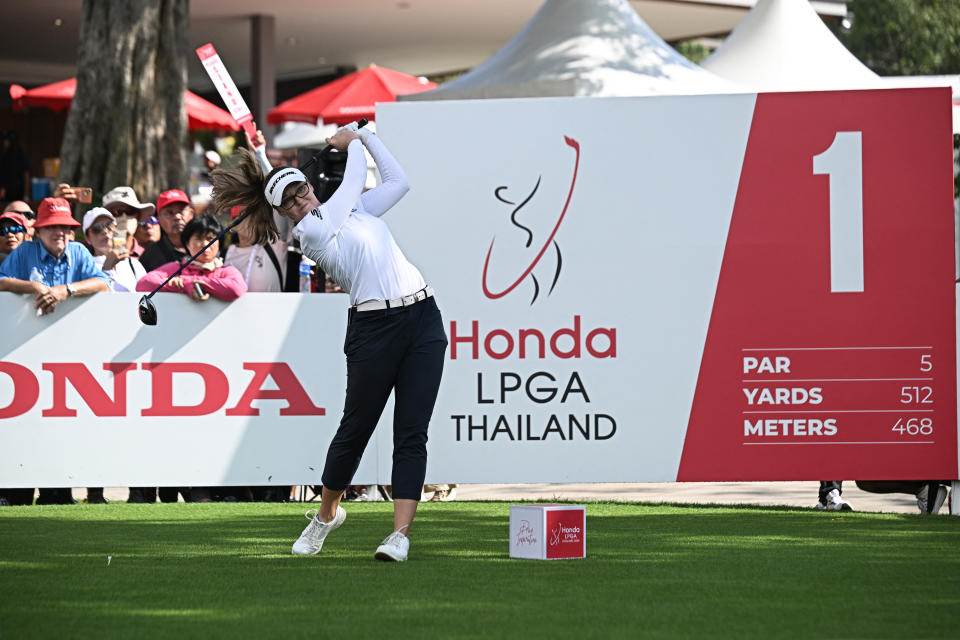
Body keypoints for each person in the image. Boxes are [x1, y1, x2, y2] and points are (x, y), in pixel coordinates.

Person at [211, 122, 447, 563]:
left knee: (411, 433)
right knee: (354, 431)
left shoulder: (354, 210)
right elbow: (355, 175)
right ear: (285, 212)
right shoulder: (312, 231)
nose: (302, 200)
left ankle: (399, 535)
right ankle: (325, 516)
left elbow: (400, 181)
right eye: (291, 201)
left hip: (422, 319)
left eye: (302, 190)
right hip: (373, 330)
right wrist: (353, 141)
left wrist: (372, 135)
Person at [0, 197, 110, 506]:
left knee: (60, 425)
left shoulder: (78, 252)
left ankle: (57, 494)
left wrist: (67, 290)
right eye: (52, 227)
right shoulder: (24, 252)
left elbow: (103, 285)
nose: (59, 232)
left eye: (64, 227)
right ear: (38, 231)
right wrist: (32, 288)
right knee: (24, 423)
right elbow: (1, 282)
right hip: (23, 355)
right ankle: (17, 494)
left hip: (68, 357)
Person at [136, 213, 247, 302]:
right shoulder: (176, 267)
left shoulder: (227, 271)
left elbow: (236, 289)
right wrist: (186, 286)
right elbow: (144, 284)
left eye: (210, 238)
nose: (205, 244)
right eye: (199, 239)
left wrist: (189, 282)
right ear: (187, 244)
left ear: (219, 243)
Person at [223, 205, 289, 292]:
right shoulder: (224, 254)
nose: (250, 220)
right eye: (243, 215)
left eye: (254, 216)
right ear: (233, 225)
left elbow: (277, 203)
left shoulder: (274, 243)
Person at [82, 207, 147, 292]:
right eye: (97, 228)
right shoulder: (84, 267)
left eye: (109, 225)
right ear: (87, 238)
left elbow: (147, 296)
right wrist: (107, 268)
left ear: (116, 230)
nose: (105, 231)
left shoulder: (133, 264)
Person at [139, 189, 194, 271]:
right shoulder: (150, 256)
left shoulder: (206, 246)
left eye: (181, 210)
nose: (177, 217)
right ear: (159, 220)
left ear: (191, 214)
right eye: (169, 213)